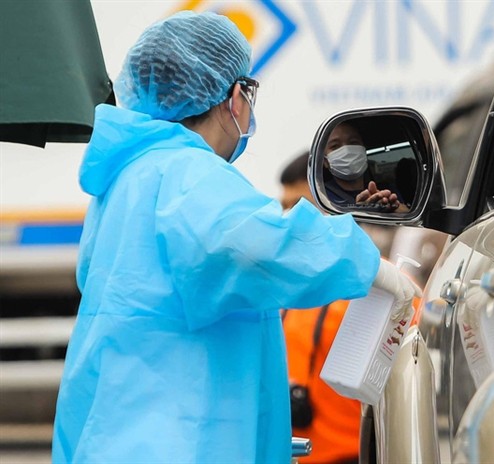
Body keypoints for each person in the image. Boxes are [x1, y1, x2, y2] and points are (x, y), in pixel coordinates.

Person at [51, 11, 420, 464]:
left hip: (113, 436)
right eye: (250, 91)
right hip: (173, 444)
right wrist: (366, 263)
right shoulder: (187, 173)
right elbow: (253, 246)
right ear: (233, 97)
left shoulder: (127, 179)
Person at [279, 153, 361, 464]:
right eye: (284, 207)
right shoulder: (276, 290)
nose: (289, 219)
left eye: (300, 207)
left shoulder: (378, 290)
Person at [323, 121, 408, 212]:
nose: (347, 150)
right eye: (335, 146)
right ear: (325, 162)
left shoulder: (386, 189)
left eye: (353, 142)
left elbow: (407, 213)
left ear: (364, 151)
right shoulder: (322, 196)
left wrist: (392, 207)